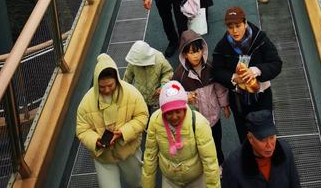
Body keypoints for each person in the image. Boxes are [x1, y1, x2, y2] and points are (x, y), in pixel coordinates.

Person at [76, 52, 148, 188]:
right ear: (96, 84)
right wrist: (95, 140)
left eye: (110, 85)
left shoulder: (131, 93)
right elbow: (82, 129)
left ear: (117, 80)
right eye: (102, 87)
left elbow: (142, 116)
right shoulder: (86, 103)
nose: (107, 90)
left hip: (128, 151)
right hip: (104, 157)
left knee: (138, 182)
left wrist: (123, 132)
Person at [211, 7, 282, 143]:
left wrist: (256, 70)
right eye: (230, 27)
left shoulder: (260, 40)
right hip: (238, 99)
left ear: (245, 23)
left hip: (262, 95)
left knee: (265, 134)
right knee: (245, 135)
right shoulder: (222, 47)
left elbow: (276, 64)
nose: (235, 31)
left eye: (238, 26)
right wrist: (234, 78)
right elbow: (217, 71)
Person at [142, 79, 220, 188]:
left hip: (196, 179)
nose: (174, 117)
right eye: (169, 113)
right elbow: (150, 156)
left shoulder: (199, 123)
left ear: (184, 108)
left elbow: (210, 162)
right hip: (170, 180)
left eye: (178, 111)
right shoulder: (155, 121)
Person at [173, 30, 230, 168]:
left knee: (217, 142)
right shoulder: (179, 75)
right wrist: (186, 97)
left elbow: (219, 88)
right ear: (185, 54)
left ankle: (219, 164)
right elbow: (176, 97)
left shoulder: (210, 67)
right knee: (200, 145)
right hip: (196, 120)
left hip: (214, 117)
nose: (196, 55)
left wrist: (225, 105)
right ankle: (205, 166)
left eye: (198, 51)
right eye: (192, 52)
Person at [221, 111, 301, 187]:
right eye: (263, 140)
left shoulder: (285, 151)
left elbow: (295, 184)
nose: (269, 145)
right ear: (250, 138)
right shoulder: (233, 166)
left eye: (272, 137)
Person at [124, 40, 174, 113]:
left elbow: (168, 72)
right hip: (140, 97)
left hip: (156, 97)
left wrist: (163, 86)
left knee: (157, 117)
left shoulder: (159, 59)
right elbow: (127, 78)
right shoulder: (134, 61)